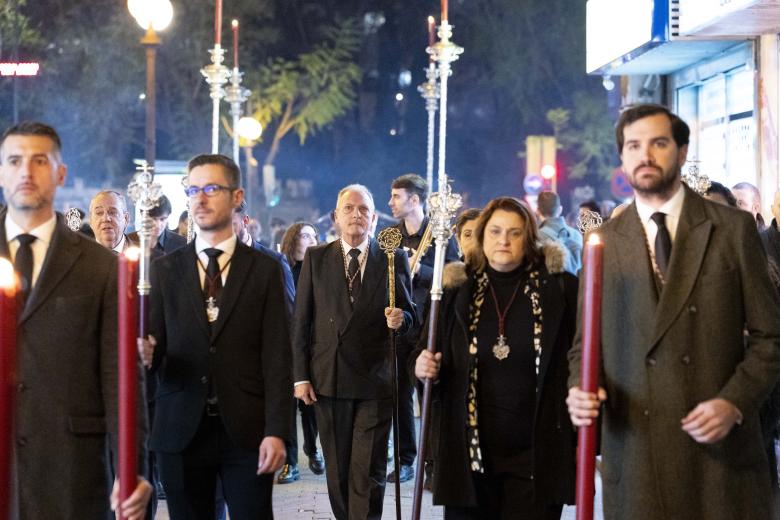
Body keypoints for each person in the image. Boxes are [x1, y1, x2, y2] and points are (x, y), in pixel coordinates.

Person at [567, 104, 780, 520]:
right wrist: (579, 389)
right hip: (637, 455)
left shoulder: (732, 229)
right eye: (633, 146)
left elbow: (771, 336)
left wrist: (734, 402)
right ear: (623, 158)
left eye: (658, 143)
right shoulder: (603, 243)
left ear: (682, 152)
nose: (644, 155)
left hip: (719, 457)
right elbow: (584, 346)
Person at [0, 121, 151, 519]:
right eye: (14, 161)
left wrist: (131, 467)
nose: (26, 173)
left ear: (60, 173)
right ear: (1, 172)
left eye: (39, 161)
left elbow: (119, 375)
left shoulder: (99, 267)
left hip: (72, 466)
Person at [139, 154, 292, 519]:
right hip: (180, 428)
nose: (200, 199)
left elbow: (277, 356)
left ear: (236, 196)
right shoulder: (165, 270)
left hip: (247, 430)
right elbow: (155, 351)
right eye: (192, 190)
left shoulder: (264, 269)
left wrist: (277, 431)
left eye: (211, 188)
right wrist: (146, 354)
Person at [414, 196, 577, 519]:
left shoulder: (559, 289)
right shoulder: (456, 290)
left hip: (536, 452)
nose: (504, 240)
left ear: (530, 238)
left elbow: (579, 355)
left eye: (515, 233)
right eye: (495, 231)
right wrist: (421, 367)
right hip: (470, 454)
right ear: (482, 236)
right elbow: (424, 354)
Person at [292, 184, 416, 520]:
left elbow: (412, 315)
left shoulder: (393, 258)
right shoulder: (317, 259)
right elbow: (301, 321)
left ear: (374, 218)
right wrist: (300, 376)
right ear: (335, 217)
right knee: (339, 471)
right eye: (349, 208)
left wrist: (401, 318)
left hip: (375, 381)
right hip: (327, 381)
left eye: (363, 209)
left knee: (368, 472)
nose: (356, 215)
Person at [385, 173, 460, 484]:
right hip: (402, 326)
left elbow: (454, 274)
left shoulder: (440, 233)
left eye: (396, 197)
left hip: (431, 325)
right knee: (399, 397)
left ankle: (434, 462)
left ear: (414, 200)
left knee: (431, 397)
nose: (390, 202)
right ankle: (405, 460)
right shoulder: (390, 235)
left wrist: (422, 268)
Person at [276, 221, 325, 482]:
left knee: (310, 406)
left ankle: (313, 448)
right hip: (285, 347)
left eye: (313, 236)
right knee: (287, 407)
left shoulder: (321, 270)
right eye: (305, 235)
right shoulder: (282, 267)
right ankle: (290, 463)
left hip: (313, 347)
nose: (310, 240)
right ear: (293, 239)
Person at [536, 191, 582, 274]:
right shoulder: (577, 235)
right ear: (560, 209)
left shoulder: (536, 236)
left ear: (538, 210)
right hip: (577, 285)